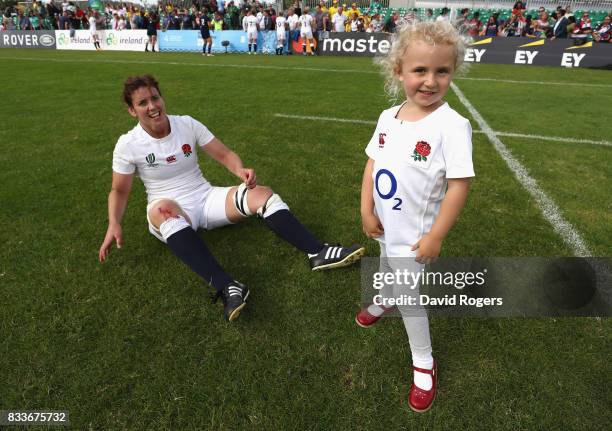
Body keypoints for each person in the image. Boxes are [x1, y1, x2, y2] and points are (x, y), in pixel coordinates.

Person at [99, 76, 365, 322]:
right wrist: (114, 222)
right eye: (142, 103)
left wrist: (240, 170)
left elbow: (224, 154)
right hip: (169, 208)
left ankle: (317, 251)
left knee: (262, 194)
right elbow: (120, 190)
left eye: (155, 98)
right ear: (132, 111)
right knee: (164, 210)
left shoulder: (186, 124)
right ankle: (228, 286)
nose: (152, 106)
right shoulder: (128, 143)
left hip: (204, 196)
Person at [355, 21, 474, 412]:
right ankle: (385, 299)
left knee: (410, 297)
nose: (430, 81)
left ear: (453, 73)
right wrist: (366, 208)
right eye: (420, 70)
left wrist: (436, 235)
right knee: (387, 267)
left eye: (442, 71)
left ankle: (424, 362)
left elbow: (458, 185)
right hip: (387, 225)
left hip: (416, 236)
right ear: (399, 72)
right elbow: (372, 165)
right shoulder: (389, 116)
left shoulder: (452, 126)